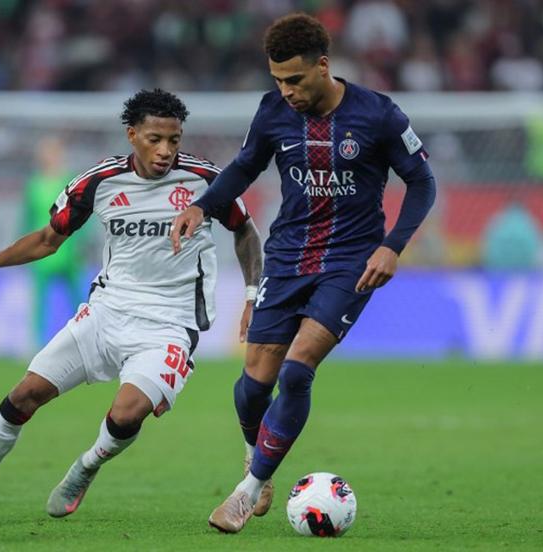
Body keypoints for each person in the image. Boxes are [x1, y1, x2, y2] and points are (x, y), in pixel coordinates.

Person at [0, 89, 262, 521]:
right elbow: (50, 238)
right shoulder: (98, 182)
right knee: (24, 395)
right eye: (155, 139)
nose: (165, 151)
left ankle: (86, 466)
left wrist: (252, 295)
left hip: (169, 325)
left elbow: (246, 231)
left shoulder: (205, 179)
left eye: (174, 140)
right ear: (132, 135)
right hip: (105, 314)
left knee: (127, 412)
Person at [171, 13, 436, 533]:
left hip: (351, 261)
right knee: (251, 388)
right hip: (289, 256)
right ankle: (259, 461)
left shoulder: (378, 114)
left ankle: (245, 493)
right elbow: (246, 166)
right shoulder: (272, 112)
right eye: (278, 80)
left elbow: (422, 183)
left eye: (295, 79)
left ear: (323, 65)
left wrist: (393, 246)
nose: (286, 90)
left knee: (296, 371)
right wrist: (203, 206)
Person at [21, 136, 86, 347]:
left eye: (53, 153)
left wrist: (82, 241)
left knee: (78, 298)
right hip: (42, 249)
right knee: (41, 301)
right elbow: (27, 218)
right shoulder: (34, 184)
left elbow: (84, 213)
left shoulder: (70, 182)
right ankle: (37, 343)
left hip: (68, 248)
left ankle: (86, 336)